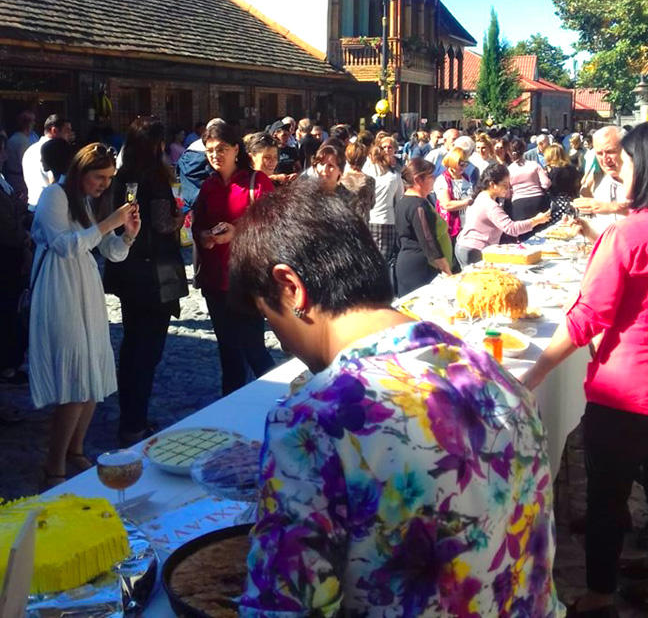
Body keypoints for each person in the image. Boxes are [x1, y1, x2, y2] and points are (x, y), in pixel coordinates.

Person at [229, 183, 564, 617]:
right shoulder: (499, 378)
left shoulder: (314, 420)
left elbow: (283, 607)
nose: (281, 339)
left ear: (290, 287)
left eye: (268, 317)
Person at [522, 122, 648, 616]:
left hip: (626, 396)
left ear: (646, 168)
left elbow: (590, 315)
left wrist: (536, 371)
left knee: (607, 503)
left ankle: (600, 593)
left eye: (625, 162)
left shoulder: (631, 233)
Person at [29, 143, 140, 487]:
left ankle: (76, 450)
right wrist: (108, 222)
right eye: (99, 177)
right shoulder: (54, 196)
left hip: (85, 288)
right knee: (74, 379)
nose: (104, 184)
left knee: (92, 373)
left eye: (109, 178)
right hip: (60, 287)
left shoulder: (85, 203)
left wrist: (128, 235)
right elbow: (65, 246)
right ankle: (53, 464)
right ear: (82, 171)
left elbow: (110, 252)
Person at [104, 117, 188, 446]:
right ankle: (135, 424)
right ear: (154, 144)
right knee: (147, 351)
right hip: (154, 275)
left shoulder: (123, 175)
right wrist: (181, 217)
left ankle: (130, 417)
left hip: (127, 271)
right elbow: (164, 224)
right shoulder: (154, 177)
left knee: (131, 346)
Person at [192, 123, 275, 395]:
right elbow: (197, 224)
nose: (215, 155)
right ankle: (231, 407)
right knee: (228, 353)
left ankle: (277, 401)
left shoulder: (256, 182)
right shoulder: (209, 185)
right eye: (210, 151)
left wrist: (236, 232)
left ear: (236, 149)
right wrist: (203, 234)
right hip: (215, 280)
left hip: (245, 279)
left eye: (222, 149)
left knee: (254, 350)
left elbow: (273, 225)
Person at [455, 163, 550, 268]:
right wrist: (536, 220)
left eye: (509, 185)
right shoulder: (490, 205)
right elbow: (511, 229)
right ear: (492, 184)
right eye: (504, 185)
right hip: (474, 249)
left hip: (465, 246)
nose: (507, 188)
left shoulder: (480, 197)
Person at [0, 131, 31, 389]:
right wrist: (25, 236)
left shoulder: (3, 180)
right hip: (7, 255)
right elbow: (7, 227)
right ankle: (7, 365)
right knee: (9, 311)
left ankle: (12, 360)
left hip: (14, 251)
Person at [394, 158, 452, 295]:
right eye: (431, 176)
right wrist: (446, 270)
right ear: (418, 180)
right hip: (421, 267)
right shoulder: (419, 205)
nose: (434, 179)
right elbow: (428, 241)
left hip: (408, 263)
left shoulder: (404, 201)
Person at [575, 126, 629, 233]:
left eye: (610, 152)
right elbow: (603, 238)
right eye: (599, 153)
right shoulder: (603, 185)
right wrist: (585, 230)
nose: (605, 159)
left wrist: (610, 207)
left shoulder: (646, 182)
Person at [22, 115, 73, 211]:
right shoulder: (54, 151)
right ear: (54, 130)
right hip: (51, 206)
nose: (70, 134)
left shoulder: (30, 149)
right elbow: (53, 181)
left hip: (32, 206)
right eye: (67, 130)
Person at [433, 147, 473, 271]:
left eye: (466, 163)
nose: (463, 167)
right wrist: (468, 202)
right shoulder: (442, 180)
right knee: (454, 265)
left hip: (466, 226)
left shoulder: (466, 177)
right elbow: (447, 205)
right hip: (451, 228)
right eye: (460, 163)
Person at [508, 137, 552, 221]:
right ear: (524, 150)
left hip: (518, 203)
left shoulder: (509, 169)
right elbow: (546, 184)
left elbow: (507, 191)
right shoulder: (534, 165)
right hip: (538, 200)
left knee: (522, 230)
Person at [340, 141, 376, 223]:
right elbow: (372, 204)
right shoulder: (369, 180)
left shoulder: (340, 179)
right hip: (362, 224)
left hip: (344, 222)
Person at [544, 143, 581, 223]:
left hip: (557, 203)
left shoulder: (554, 172)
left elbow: (550, 188)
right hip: (572, 201)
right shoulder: (572, 168)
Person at [5, 110, 35, 196]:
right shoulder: (22, 141)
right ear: (27, 124)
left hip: (13, 179)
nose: (34, 124)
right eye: (33, 121)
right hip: (20, 182)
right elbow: (27, 164)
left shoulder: (15, 137)